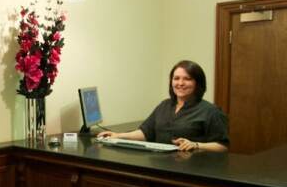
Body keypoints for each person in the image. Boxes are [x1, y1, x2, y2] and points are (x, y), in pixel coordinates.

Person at [97, 60, 229, 152]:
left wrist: (196, 145)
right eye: (176, 78)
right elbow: (146, 132)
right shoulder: (164, 105)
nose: (180, 83)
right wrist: (118, 135)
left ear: (198, 83)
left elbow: (222, 146)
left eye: (187, 79)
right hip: (159, 167)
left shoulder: (210, 111)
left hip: (190, 170)